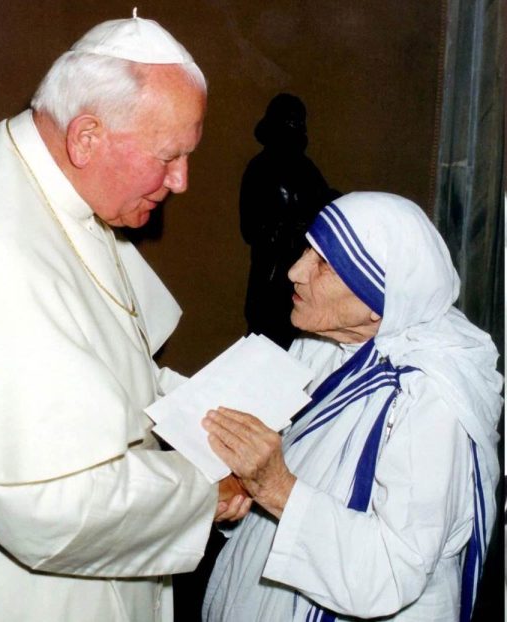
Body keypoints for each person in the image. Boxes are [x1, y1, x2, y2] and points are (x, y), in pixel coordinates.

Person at [0, 14, 249, 622]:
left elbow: (100, 364)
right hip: (15, 595)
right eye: (169, 156)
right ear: (86, 136)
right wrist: (204, 492)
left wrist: (214, 417)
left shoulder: (48, 183)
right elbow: (47, 508)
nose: (181, 181)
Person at [202, 192, 502, 621]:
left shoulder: (433, 401)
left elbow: (391, 573)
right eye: (307, 250)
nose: (294, 271)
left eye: (323, 264)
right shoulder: (320, 346)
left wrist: (276, 488)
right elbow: (298, 469)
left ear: (377, 302)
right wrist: (241, 489)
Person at [240, 93, 340, 349]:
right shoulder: (260, 168)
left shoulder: (306, 169)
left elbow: (322, 208)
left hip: (302, 274)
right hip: (272, 275)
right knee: (266, 337)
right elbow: (250, 228)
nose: (296, 128)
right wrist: (282, 229)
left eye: (299, 122)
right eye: (291, 121)